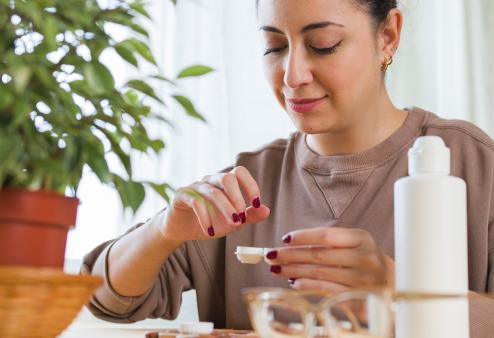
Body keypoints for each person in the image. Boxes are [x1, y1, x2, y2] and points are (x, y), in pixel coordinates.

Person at [82, 0, 494, 336]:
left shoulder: (472, 163)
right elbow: (105, 300)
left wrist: (398, 288)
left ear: (387, 36)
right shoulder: (245, 187)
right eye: (274, 47)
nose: (292, 76)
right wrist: (163, 231)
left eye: (324, 44)